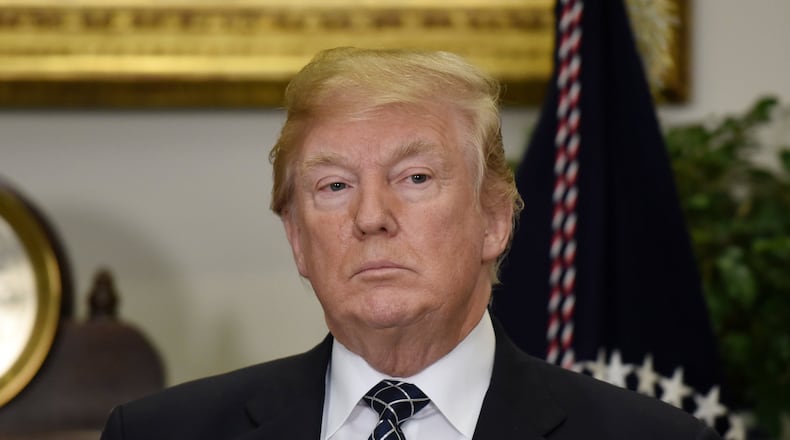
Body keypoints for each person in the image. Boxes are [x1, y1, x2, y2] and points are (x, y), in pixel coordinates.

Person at [100, 47, 721, 440]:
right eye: (335, 185)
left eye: (415, 178)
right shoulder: (160, 432)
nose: (371, 217)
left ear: (494, 221)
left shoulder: (648, 437)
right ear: (296, 239)